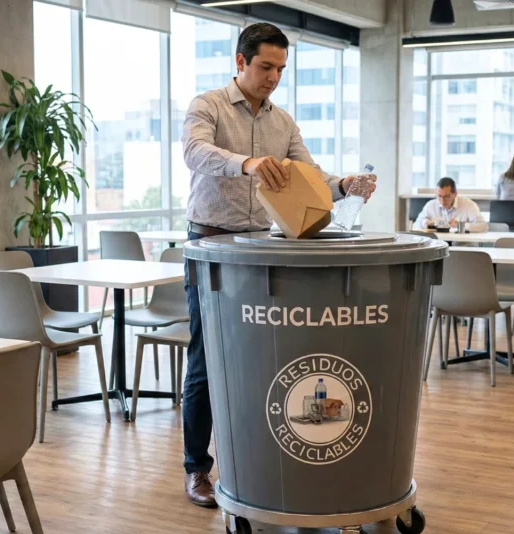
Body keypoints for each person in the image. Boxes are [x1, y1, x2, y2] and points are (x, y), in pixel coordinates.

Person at [179, 22, 376, 508]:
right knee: (209, 360)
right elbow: (194, 152)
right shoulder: (207, 106)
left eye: (281, 70)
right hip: (212, 247)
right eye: (266, 67)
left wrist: (345, 183)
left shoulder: (283, 122)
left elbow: (309, 176)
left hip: (262, 250)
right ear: (240, 62)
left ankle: (253, 458)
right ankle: (197, 469)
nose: (273, 78)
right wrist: (245, 163)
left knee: (260, 361)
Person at [413, 177, 487, 232]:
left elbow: (483, 226)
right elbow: (415, 226)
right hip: (438, 247)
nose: (442, 201)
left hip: (462, 248)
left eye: (446, 197)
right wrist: (425, 223)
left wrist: (459, 226)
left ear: (455, 194)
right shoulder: (430, 205)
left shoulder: (468, 205)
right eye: (439, 196)